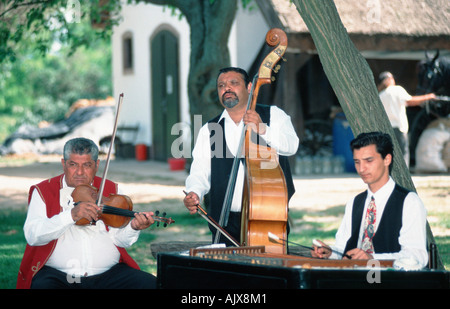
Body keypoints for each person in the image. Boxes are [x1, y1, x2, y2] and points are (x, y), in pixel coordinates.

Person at [17, 137, 157, 289]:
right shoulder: (44, 191)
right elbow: (33, 236)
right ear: (64, 164)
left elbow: (120, 240)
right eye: (73, 165)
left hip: (109, 275)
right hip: (61, 277)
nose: (80, 172)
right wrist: (71, 215)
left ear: (96, 165)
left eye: (87, 165)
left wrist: (133, 227)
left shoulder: (113, 192)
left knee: (150, 284)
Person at [183, 67, 299, 245]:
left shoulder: (273, 115)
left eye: (234, 83)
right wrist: (194, 192)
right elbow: (200, 172)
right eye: (221, 85)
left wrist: (263, 129)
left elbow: (292, 146)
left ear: (250, 87)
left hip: (268, 217)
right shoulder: (210, 129)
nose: (226, 88)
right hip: (223, 222)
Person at [312, 132, 428, 268]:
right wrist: (330, 253)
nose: (361, 169)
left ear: (387, 159)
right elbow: (343, 247)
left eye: (369, 161)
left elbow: (416, 256)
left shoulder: (409, 202)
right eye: (357, 162)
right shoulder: (354, 203)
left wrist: (372, 259)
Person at [377, 71, 436, 167]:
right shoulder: (396, 90)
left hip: (385, 130)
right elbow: (410, 101)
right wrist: (428, 97)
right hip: (399, 128)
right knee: (403, 155)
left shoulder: (380, 96)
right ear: (389, 80)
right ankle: (404, 180)